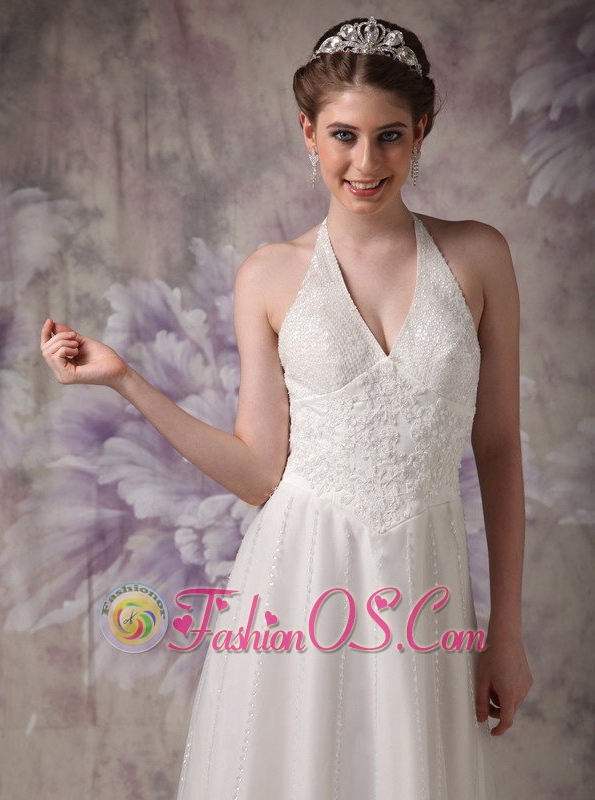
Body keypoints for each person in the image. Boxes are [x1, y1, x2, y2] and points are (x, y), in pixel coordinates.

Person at [41, 16, 533, 799]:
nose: (365, 162)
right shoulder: (270, 275)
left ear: (421, 131)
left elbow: (499, 446)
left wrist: (504, 631)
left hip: (425, 582)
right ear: (308, 132)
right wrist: (126, 380)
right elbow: (258, 472)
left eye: (390, 136)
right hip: (301, 577)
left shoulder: (478, 256)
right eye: (343, 136)